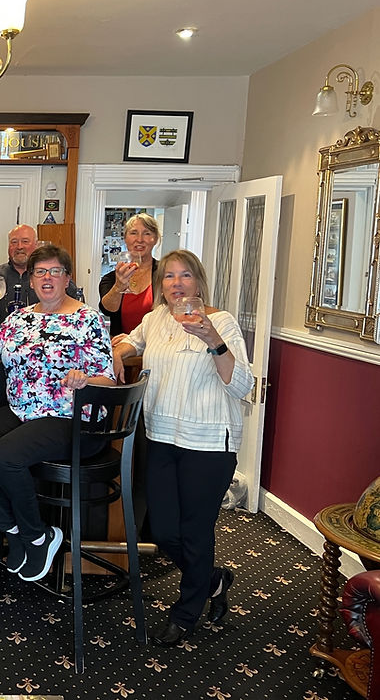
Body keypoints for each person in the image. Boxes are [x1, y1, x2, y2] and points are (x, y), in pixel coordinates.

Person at [112, 249, 251, 647]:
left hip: (208, 443)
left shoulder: (220, 321)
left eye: (185, 275)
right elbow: (129, 343)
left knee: (194, 532)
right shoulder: (155, 319)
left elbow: (243, 384)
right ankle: (212, 580)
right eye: (169, 276)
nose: (176, 283)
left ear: (198, 282)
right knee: (165, 532)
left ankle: (186, 614)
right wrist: (120, 354)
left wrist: (212, 340)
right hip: (160, 437)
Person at [0, 245, 115, 582]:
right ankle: (13, 529)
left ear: (68, 278)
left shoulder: (87, 318)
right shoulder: (19, 317)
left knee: (5, 455)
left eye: (54, 271)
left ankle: (39, 535)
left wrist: (85, 379)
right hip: (23, 410)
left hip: (71, 416)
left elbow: (108, 377)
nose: (47, 278)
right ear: (30, 280)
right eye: (40, 272)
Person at [0, 224, 82, 325]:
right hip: (3, 336)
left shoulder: (56, 278)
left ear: (36, 245)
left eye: (25, 241)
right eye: (14, 242)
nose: (19, 247)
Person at [99, 213, 160, 337]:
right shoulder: (110, 278)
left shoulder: (166, 274)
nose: (140, 239)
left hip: (157, 348)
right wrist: (118, 286)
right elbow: (107, 310)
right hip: (122, 350)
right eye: (133, 233)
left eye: (147, 233)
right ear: (125, 238)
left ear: (155, 239)